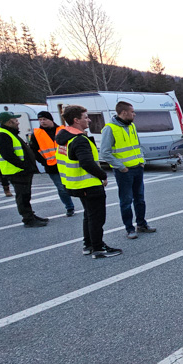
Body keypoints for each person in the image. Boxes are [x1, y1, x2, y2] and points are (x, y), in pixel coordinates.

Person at [57, 105, 122, 259]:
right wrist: (102, 175)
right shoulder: (79, 140)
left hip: (76, 184)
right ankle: (99, 248)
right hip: (88, 184)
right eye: (85, 117)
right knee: (97, 218)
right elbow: (86, 162)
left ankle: (89, 244)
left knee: (89, 216)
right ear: (76, 120)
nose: (89, 120)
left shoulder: (65, 137)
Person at [100, 101, 156, 239]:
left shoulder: (131, 126)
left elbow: (138, 145)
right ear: (124, 112)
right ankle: (129, 228)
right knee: (126, 200)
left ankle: (142, 224)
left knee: (140, 198)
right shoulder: (110, 129)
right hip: (124, 171)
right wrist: (121, 167)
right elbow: (105, 152)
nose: (134, 114)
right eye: (132, 112)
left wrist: (142, 161)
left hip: (137, 167)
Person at [0, 111, 48, 227]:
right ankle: (28, 219)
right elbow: (8, 155)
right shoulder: (2, 135)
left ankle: (30, 215)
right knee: (22, 196)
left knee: (26, 195)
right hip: (16, 171)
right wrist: (24, 166)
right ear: (9, 122)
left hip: (20, 170)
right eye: (15, 120)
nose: (18, 122)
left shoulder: (9, 133)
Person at [29, 111, 76, 216]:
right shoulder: (36, 134)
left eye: (44, 119)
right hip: (51, 166)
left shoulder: (62, 130)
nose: (42, 122)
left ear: (51, 119)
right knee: (61, 187)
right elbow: (34, 150)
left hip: (66, 164)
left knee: (72, 185)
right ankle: (69, 207)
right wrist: (44, 161)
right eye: (40, 120)